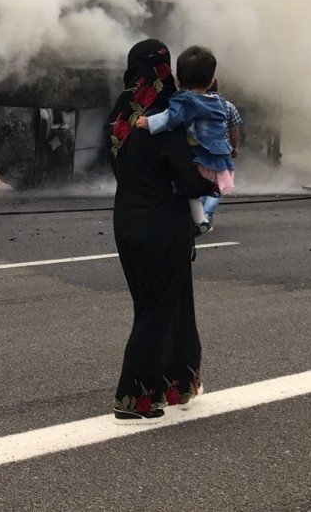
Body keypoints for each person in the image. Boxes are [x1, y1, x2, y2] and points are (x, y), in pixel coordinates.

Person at [104, 39, 215, 421]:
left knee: (161, 305)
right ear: (166, 70)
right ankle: (133, 396)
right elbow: (187, 178)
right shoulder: (168, 118)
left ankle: (176, 383)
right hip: (163, 226)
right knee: (160, 310)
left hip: (126, 222)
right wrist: (211, 183)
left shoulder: (119, 119)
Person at [135, 45, 235, 234]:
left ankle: (200, 220)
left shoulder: (186, 101)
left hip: (202, 159)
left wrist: (148, 122)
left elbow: (171, 118)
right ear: (211, 80)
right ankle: (201, 218)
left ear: (178, 80)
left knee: (181, 186)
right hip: (219, 161)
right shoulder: (218, 101)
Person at [200, 79, 243, 225]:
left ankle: (200, 217)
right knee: (218, 186)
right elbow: (234, 128)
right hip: (221, 152)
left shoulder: (195, 104)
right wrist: (234, 147)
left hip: (199, 151)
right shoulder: (228, 106)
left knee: (200, 184)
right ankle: (205, 216)